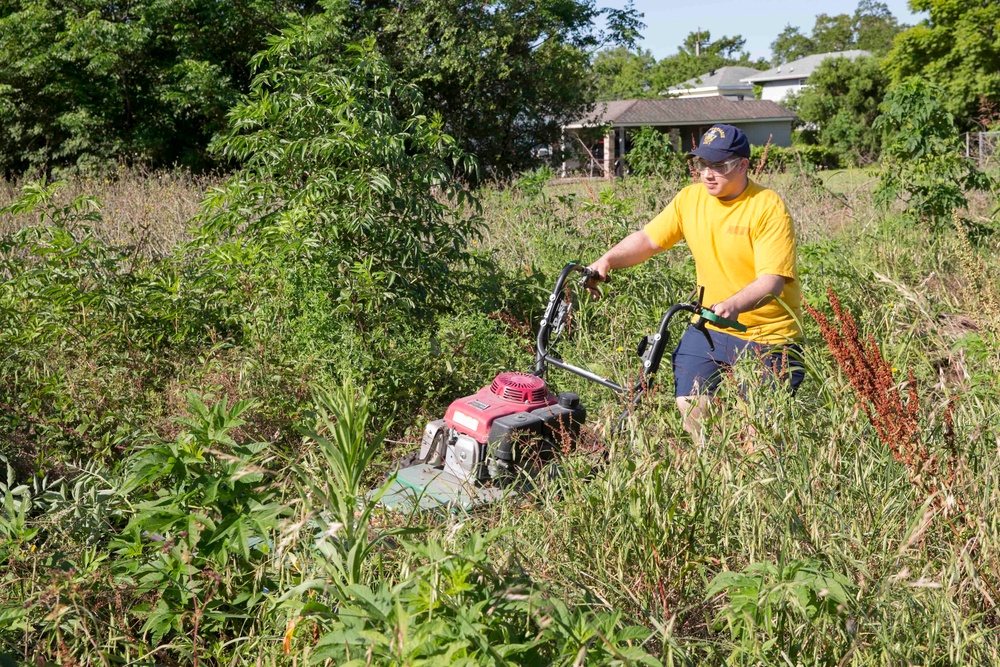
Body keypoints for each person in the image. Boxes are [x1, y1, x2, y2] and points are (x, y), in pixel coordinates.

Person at [586, 124, 804, 439]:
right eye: (702, 164)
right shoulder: (690, 199)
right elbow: (649, 240)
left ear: (743, 165)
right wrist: (607, 260)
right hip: (711, 327)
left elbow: (772, 281)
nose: (708, 174)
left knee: (759, 431)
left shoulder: (767, 207)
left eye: (720, 166)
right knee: (691, 403)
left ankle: (748, 462)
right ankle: (713, 464)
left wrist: (733, 303)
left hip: (769, 336)